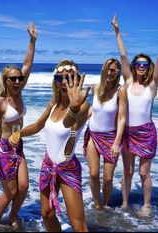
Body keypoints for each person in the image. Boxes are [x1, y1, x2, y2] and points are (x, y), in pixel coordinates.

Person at [15, 60, 90, 232]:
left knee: (78, 225)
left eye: (70, 77)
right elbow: (37, 126)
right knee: (47, 213)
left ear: (77, 79)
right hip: (48, 165)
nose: (65, 82)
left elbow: (68, 122)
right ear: (55, 81)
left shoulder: (83, 106)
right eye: (60, 78)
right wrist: (17, 134)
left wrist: (74, 107)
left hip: (67, 168)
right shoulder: (54, 104)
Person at [0, 22, 37, 229]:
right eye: (12, 79)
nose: (17, 81)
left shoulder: (19, 92)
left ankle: (13, 215)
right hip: (2, 148)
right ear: (5, 80)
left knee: (24, 186)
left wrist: (32, 41)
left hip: (17, 145)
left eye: (18, 78)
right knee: (11, 191)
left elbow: (28, 64)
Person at [112, 14, 158, 216]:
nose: (141, 66)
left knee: (143, 172)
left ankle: (147, 205)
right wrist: (118, 32)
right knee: (128, 171)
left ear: (149, 67)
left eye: (145, 64)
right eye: (138, 63)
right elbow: (123, 56)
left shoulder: (153, 85)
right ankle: (124, 203)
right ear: (134, 66)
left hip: (146, 132)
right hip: (128, 132)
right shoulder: (128, 82)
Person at [83, 58, 127, 209]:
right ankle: (97, 204)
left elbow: (121, 118)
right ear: (103, 70)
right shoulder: (96, 88)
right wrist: (76, 122)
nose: (110, 72)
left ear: (118, 72)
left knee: (108, 178)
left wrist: (116, 142)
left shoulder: (120, 91)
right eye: (107, 69)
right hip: (93, 136)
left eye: (113, 70)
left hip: (111, 138)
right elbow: (92, 111)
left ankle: (106, 204)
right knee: (94, 174)